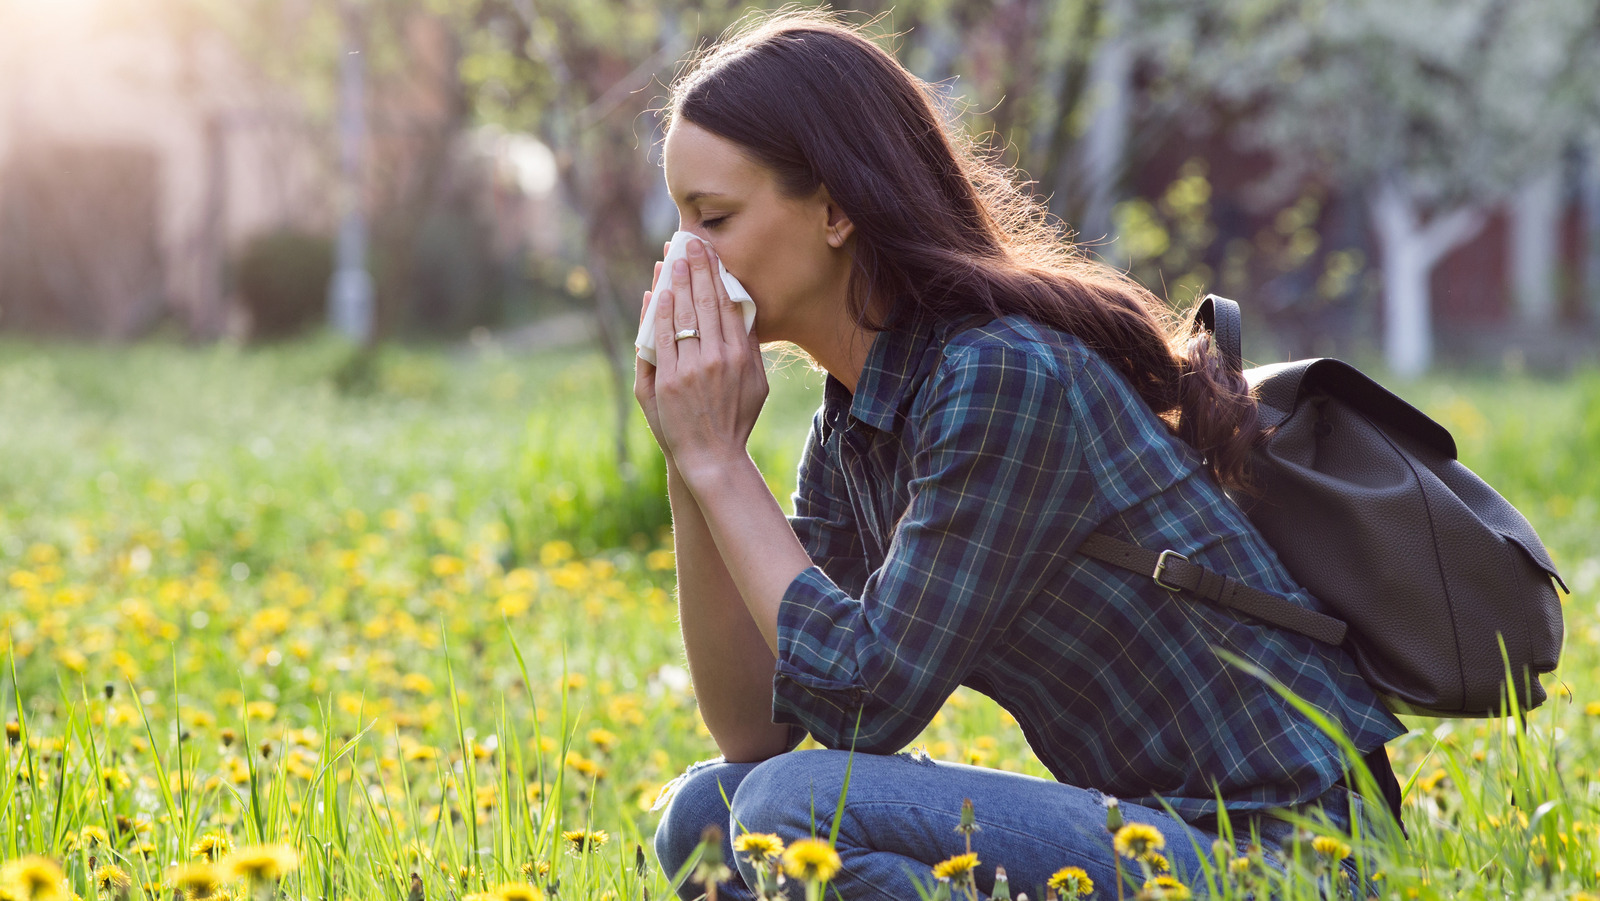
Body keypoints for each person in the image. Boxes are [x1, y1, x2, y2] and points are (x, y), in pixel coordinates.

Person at [635, 11, 1404, 900]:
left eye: (714, 218)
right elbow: (755, 729)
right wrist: (694, 462)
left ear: (837, 208)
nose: (686, 257)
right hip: (1155, 831)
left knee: (789, 810)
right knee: (708, 814)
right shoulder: (859, 418)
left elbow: (866, 701)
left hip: (1294, 856)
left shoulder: (999, 374)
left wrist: (723, 466)